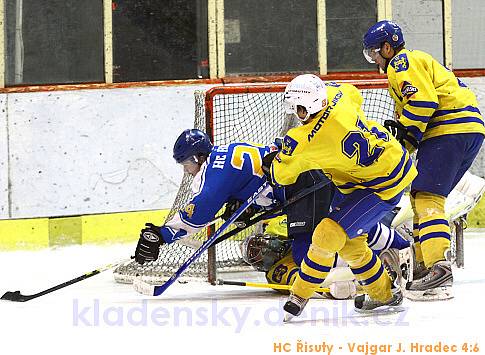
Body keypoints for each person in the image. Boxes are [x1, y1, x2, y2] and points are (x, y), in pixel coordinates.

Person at [265, 74, 417, 318]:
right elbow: (353, 93)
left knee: (327, 233)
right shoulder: (338, 95)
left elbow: (281, 176)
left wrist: (272, 162)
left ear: (311, 105)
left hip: (380, 186)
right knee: (351, 245)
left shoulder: (302, 142)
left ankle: (300, 294)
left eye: (299, 108)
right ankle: (384, 293)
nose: (296, 113)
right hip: (387, 163)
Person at [362, 20, 485, 300]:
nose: (375, 60)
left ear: (386, 47)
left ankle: (438, 268)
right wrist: (401, 142)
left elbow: (423, 103)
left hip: (448, 130)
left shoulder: (401, 63)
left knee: (427, 197)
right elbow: (415, 121)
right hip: (469, 131)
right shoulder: (419, 61)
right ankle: (424, 265)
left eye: (374, 53)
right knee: (424, 196)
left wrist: (404, 131)